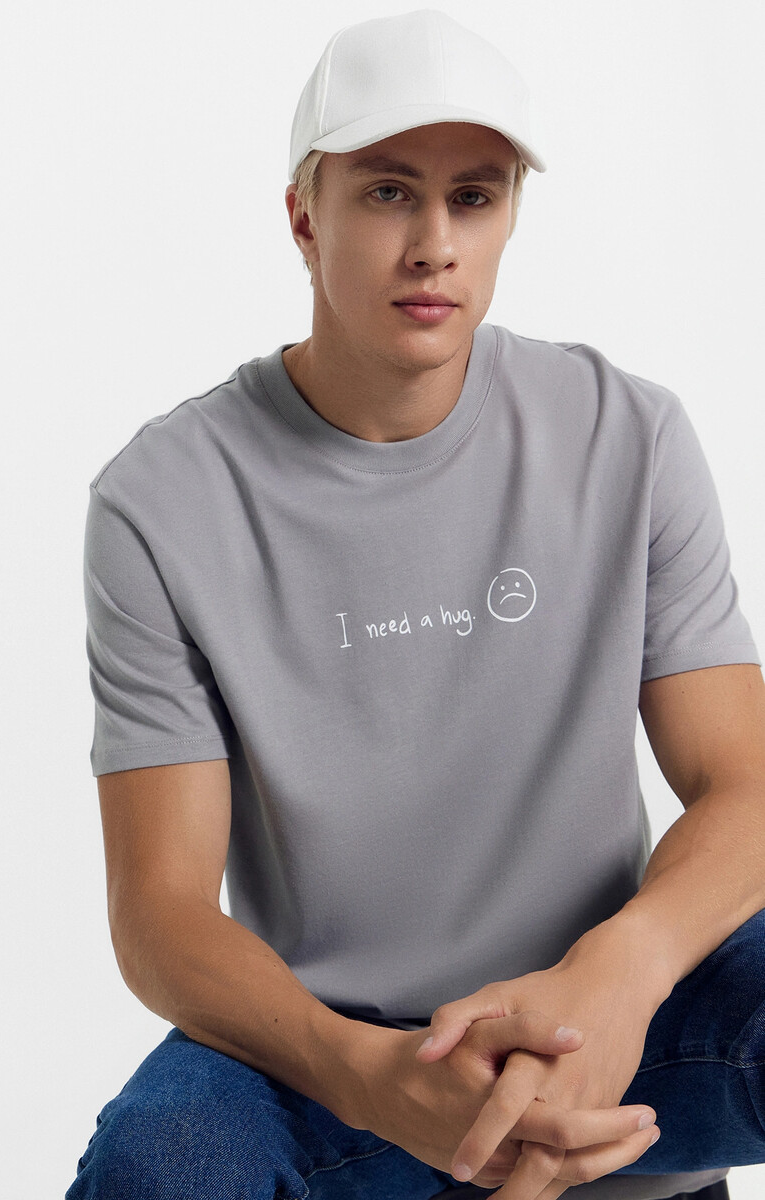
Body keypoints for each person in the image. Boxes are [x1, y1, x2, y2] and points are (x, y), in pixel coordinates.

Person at [67, 11, 765, 1200]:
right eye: (389, 193)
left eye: (473, 198)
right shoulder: (162, 501)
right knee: (163, 1165)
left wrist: (619, 976)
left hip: (616, 1021)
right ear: (305, 215)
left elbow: (744, 787)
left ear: (508, 217)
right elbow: (161, 912)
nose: (435, 245)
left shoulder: (628, 434)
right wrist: (369, 1077)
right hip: (330, 1061)